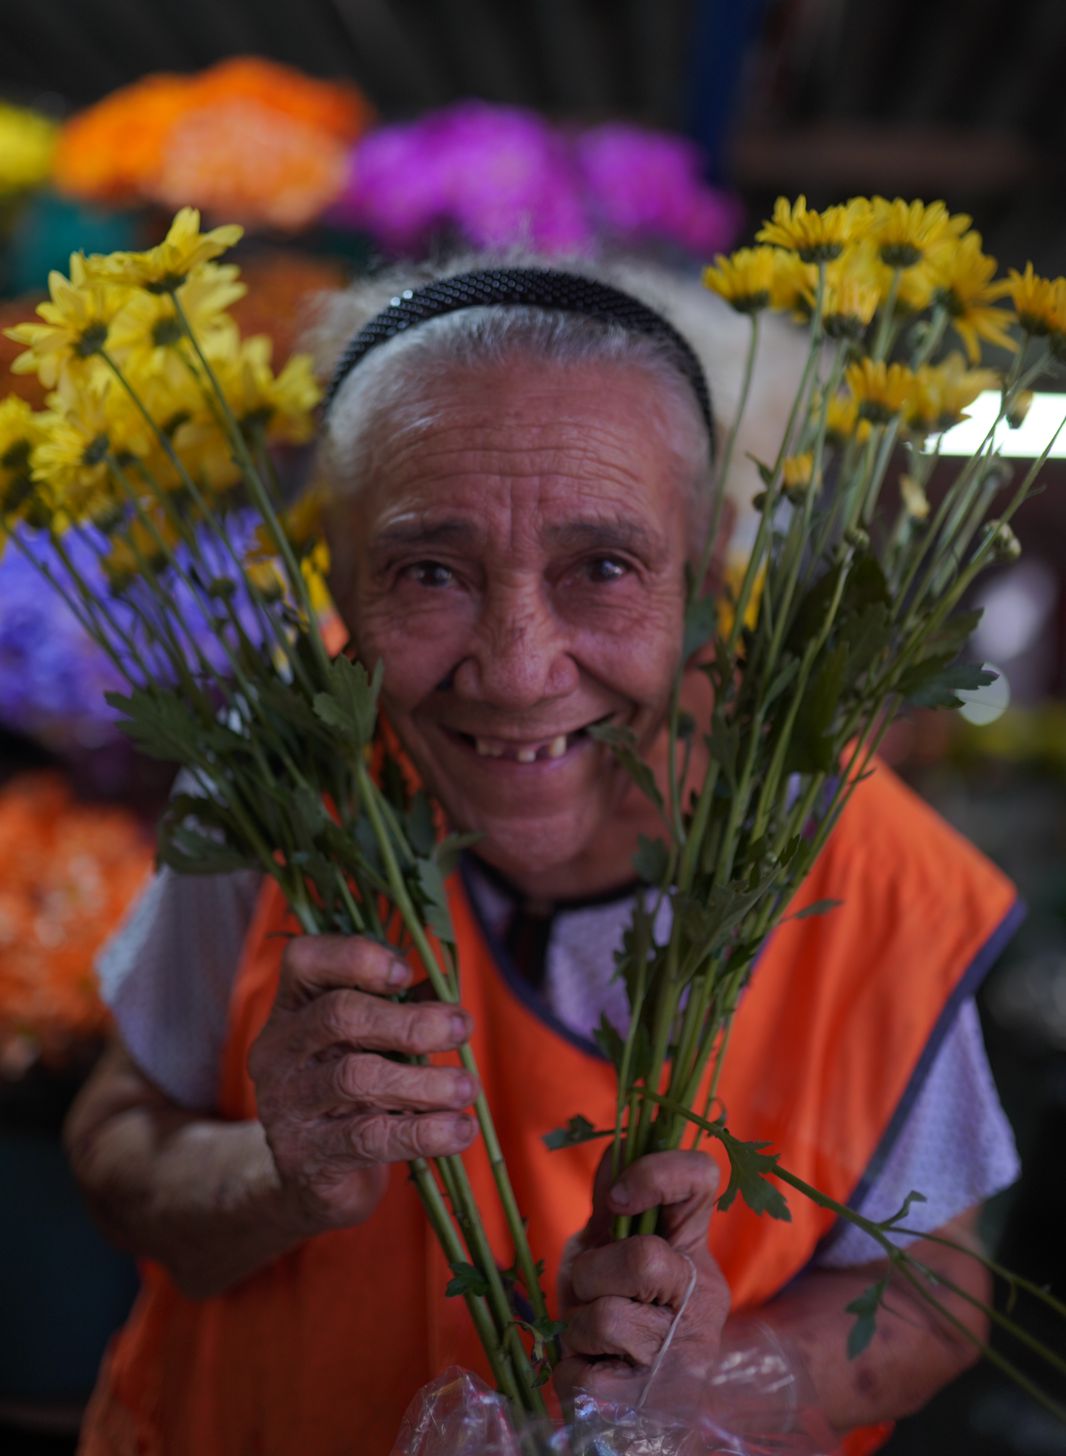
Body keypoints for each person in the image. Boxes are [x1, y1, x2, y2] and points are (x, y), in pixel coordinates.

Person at [65, 258, 1021, 1456]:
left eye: (603, 566)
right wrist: (277, 1170)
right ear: (339, 578)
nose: (517, 671)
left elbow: (937, 1282)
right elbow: (116, 1136)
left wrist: (713, 1382)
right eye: (428, 570)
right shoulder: (282, 785)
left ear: (707, 568)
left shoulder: (875, 875)